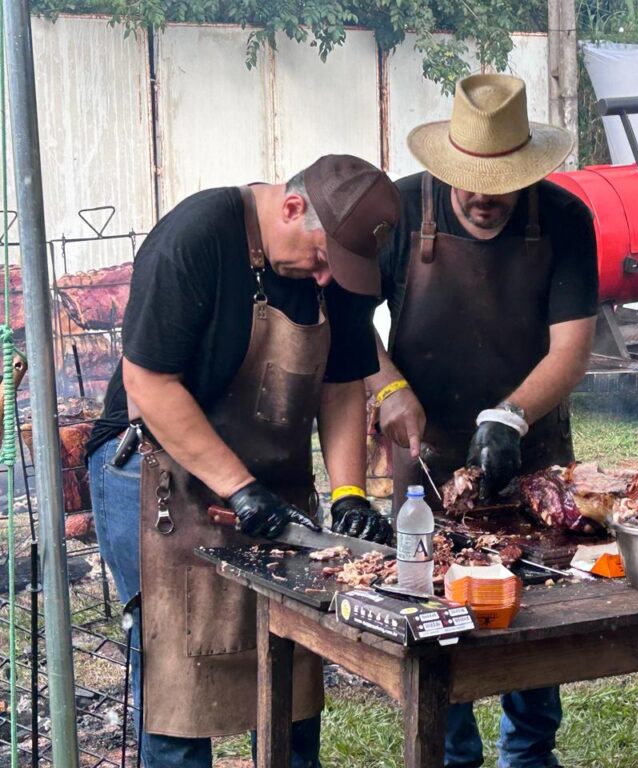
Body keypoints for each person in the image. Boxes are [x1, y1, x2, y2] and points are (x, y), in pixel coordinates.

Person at [85, 154, 399, 768]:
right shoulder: (195, 239)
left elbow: (341, 384)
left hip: (270, 484)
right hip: (156, 472)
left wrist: (349, 494)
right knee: (177, 668)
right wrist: (238, 485)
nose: (329, 278)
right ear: (289, 209)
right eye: (323, 258)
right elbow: (149, 385)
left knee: (292, 659)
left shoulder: (341, 272)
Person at [367, 74, 598, 768]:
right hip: (423, 458)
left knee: (533, 612)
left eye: (502, 184)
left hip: (531, 448)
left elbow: (572, 348)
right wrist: (388, 390)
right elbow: (350, 331)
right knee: (440, 618)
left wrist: (511, 415)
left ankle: (530, 755)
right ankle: (453, 752)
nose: (484, 199)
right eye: (471, 182)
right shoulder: (400, 211)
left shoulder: (563, 218)